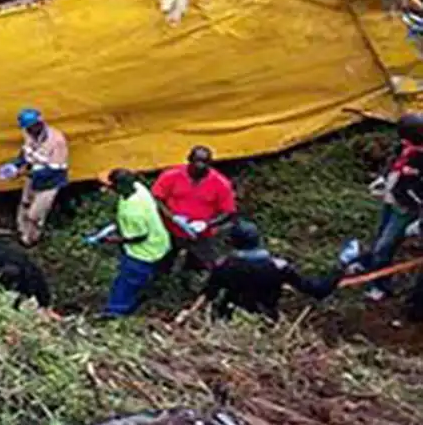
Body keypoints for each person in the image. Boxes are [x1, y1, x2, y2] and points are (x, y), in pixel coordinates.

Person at [198, 220, 349, 319]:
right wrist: (341, 266)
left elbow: (209, 295)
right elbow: (317, 290)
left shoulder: (224, 267)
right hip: (266, 320)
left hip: (229, 318)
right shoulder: (279, 267)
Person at [356, 113, 423, 301]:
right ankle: (368, 263)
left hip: (406, 208)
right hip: (391, 198)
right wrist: (384, 178)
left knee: (385, 246)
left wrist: (419, 219)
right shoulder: (405, 146)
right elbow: (394, 162)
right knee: (379, 235)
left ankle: (380, 285)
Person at [89, 168, 171, 317]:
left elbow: (139, 237)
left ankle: (115, 311)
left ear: (119, 187)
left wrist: (110, 239)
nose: (108, 188)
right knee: (145, 277)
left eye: (110, 186)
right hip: (159, 240)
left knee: (126, 282)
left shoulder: (133, 211)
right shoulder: (139, 188)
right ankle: (146, 293)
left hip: (143, 252)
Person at [151, 145, 238, 271]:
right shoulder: (171, 175)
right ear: (189, 160)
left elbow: (229, 212)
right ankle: (162, 279)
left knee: (197, 263)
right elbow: (157, 198)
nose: (200, 165)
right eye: (197, 161)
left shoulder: (221, 184)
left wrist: (206, 224)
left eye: (204, 162)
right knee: (164, 258)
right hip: (171, 230)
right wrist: (172, 217)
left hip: (200, 235)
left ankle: (188, 277)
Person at [2, 108, 69, 246]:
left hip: (50, 182)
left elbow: (56, 169)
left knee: (34, 215)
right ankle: (21, 231)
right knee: (25, 204)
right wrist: (14, 165)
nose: (28, 131)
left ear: (38, 124)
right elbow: (25, 153)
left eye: (30, 128)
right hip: (33, 177)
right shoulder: (28, 133)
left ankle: (32, 239)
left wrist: (24, 173)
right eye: (26, 128)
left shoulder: (57, 141)